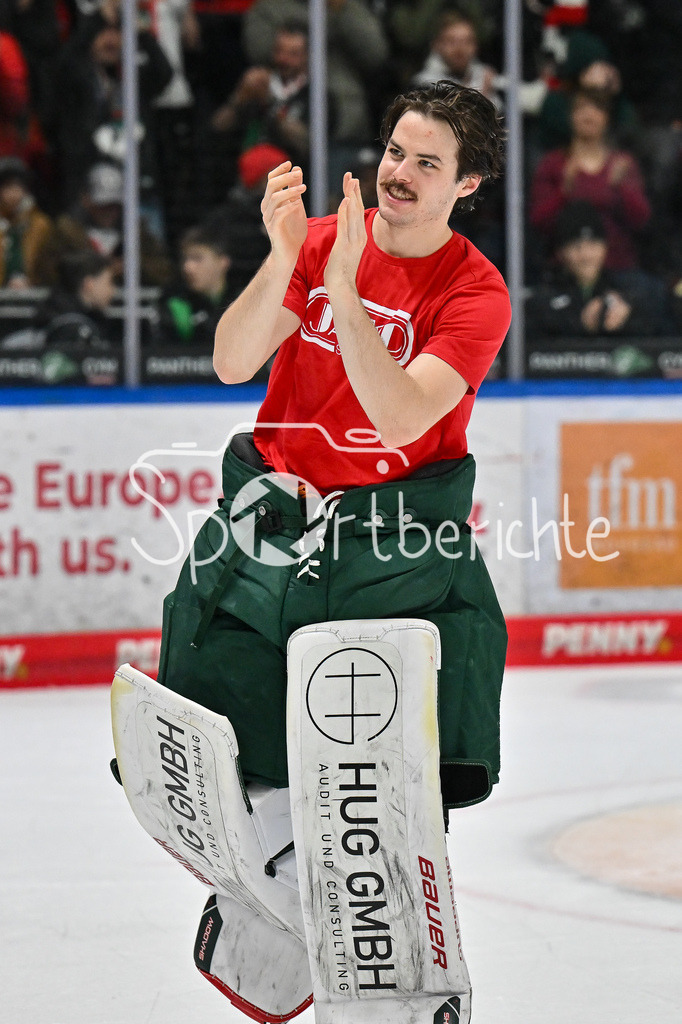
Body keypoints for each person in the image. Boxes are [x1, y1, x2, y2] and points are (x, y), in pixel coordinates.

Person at [154, 81, 510, 1018]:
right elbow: (234, 359)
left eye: (427, 163)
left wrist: (343, 287)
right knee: (242, 726)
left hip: (393, 538)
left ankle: (374, 940)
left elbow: (398, 414)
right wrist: (286, 260)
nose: (399, 174)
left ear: (467, 182)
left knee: (374, 765)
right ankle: (281, 889)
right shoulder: (316, 242)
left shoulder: (475, 292)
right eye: (395, 151)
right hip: (277, 518)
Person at [529, 86, 651, 276]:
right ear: (570, 116)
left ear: (607, 118)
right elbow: (538, 222)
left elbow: (641, 220)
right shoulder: (553, 163)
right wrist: (564, 191)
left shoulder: (622, 164)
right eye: (581, 108)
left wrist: (622, 189)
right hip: (566, 272)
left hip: (619, 268)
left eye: (597, 108)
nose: (589, 114)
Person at [526, 200, 673, 338]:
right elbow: (530, 336)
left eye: (593, 245)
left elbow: (660, 325)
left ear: (605, 247)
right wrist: (580, 322)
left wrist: (627, 316)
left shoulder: (626, 288)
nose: (586, 255)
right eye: (576, 247)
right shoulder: (545, 294)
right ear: (560, 252)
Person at [36, 161, 174, 289]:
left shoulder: (138, 233)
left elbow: (164, 272)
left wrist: (134, 267)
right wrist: (92, 269)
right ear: (86, 200)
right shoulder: (65, 233)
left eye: (115, 205)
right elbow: (46, 273)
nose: (109, 211)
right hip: (79, 309)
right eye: (102, 205)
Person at [156, 221, 242, 348]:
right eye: (185, 259)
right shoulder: (174, 301)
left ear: (223, 262)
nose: (187, 267)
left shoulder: (243, 299)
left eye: (197, 258)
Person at [412, 10, 503, 110]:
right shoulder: (422, 86)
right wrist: (482, 97)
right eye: (451, 41)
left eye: (467, 41)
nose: (460, 49)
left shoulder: (487, 78)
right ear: (436, 45)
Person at [0, 155, 53, 288]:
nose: (13, 194)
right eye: (7, 187)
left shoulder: (41, 225)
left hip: (33, 296)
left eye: (17, 187)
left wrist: (31, 282)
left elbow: (49, 269)